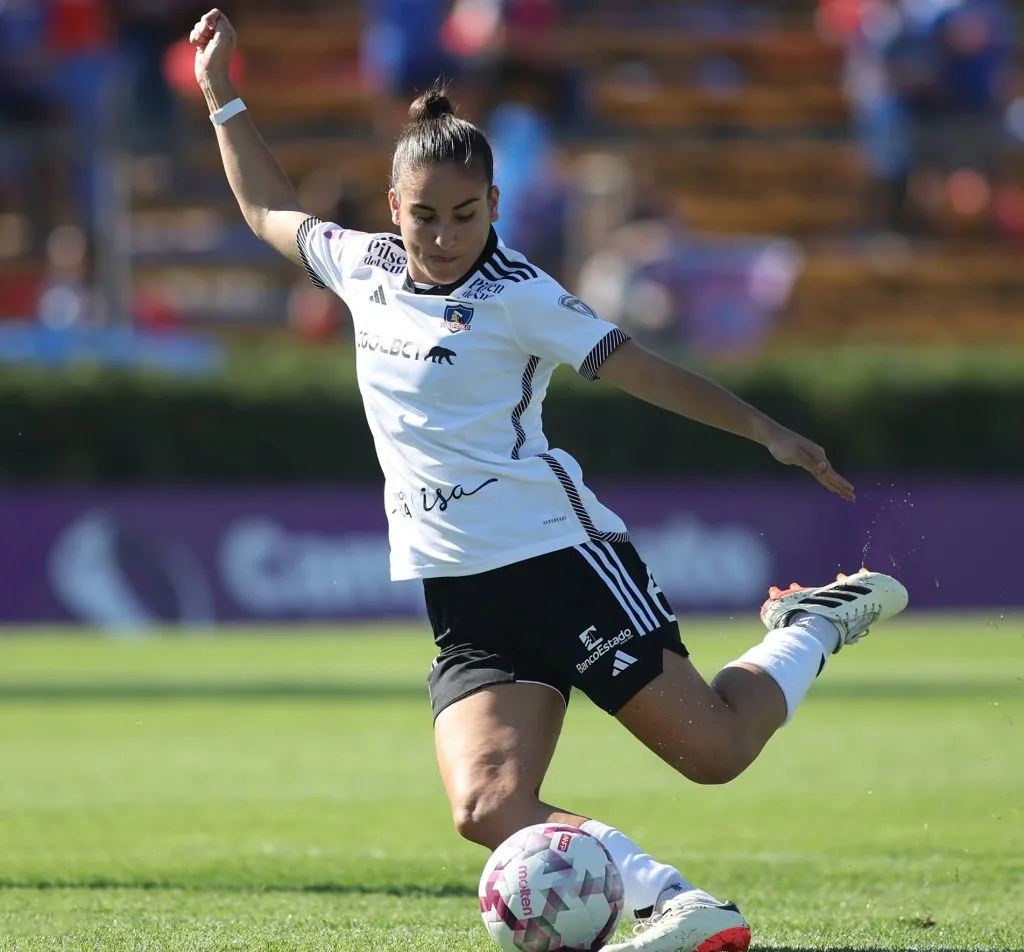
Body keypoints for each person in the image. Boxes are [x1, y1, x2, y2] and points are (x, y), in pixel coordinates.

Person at [190, 10, 910, 952]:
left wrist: (766, 430)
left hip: (558, 562)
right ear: (394, 205)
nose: (444, 235)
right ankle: (670, 900)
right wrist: (220, 94)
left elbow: (643, 369)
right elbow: (265, 209)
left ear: (495, 204)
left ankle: (811, 625)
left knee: (717, 753)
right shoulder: (364, 266)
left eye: (465, 215)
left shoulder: (520, 295)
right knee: (487, 805)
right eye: (424, 215)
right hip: (461, 593)